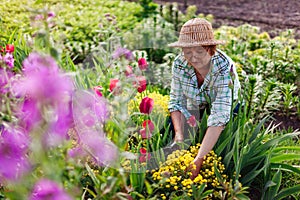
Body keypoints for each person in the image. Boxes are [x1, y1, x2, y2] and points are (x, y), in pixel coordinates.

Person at [167, 18, 240, 179]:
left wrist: (199, 159)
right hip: (196, 102)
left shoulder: (223, 68)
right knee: (170, 128)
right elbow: (176, 101)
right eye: (187, 52)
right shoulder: (179, 64)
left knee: (224, 136)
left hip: (227, 102)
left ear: (210, 49)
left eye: (199, 51)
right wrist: (179, 135)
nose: (193, 58)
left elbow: (220, 115)